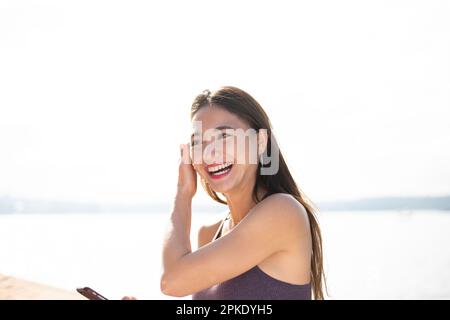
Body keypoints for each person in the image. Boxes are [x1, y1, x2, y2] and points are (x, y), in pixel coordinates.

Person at [125, 86, 325, 300]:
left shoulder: (284, 213)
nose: (210, 153)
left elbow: (171, 282)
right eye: (198, 142)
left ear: (260, 142)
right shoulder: (209, 234)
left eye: (224, 136)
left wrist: (183, 194)